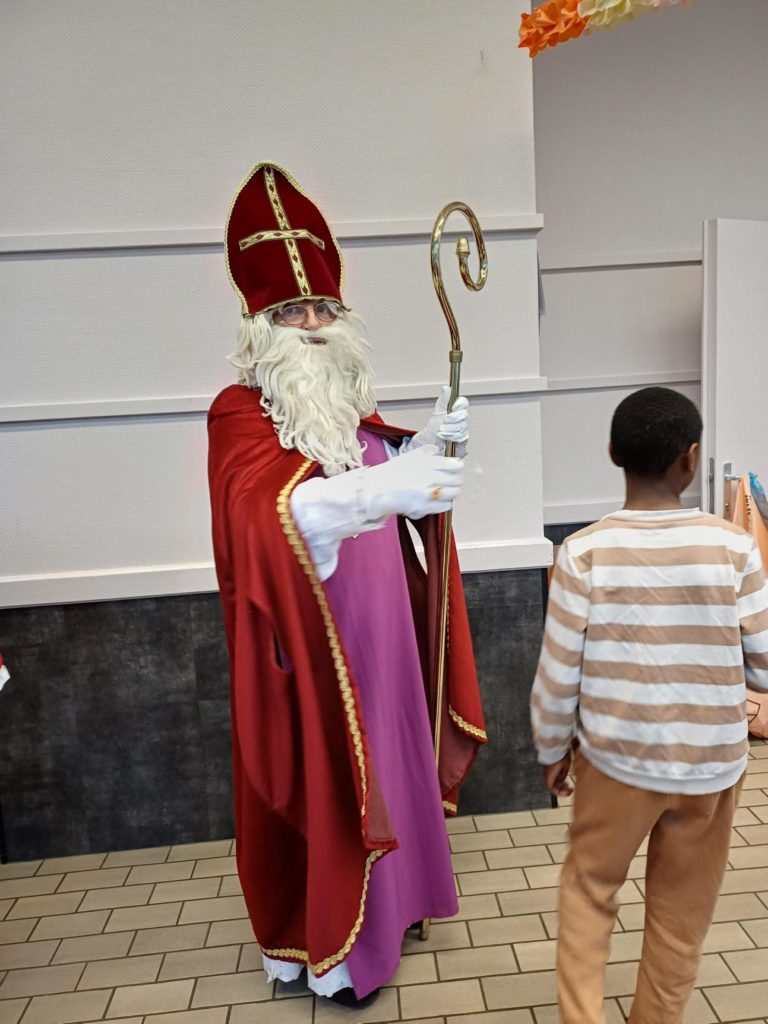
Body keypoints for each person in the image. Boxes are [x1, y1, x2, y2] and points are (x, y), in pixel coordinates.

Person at [207, 162, 486, 1007]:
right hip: (313, 652)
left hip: (385, 637)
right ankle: (334, 953)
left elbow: (387, 481)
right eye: (292, 312)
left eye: (323, 308)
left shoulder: (350, 409)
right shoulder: (240, 414)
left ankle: (397, 910)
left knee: (392, 759)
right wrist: (379, 490)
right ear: (260, 327)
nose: (313, 325)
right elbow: (265, 519)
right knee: (329, 774)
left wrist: (423, 449)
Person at [530, 386, 768, 1024]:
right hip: (711, 766)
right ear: (691, 458)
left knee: (589, 891)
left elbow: (557, 674)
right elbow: (763, 664)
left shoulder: (582, 552)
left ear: (613, 453)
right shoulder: (735, 547)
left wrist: (552, 751)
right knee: (680, 919)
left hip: (616, 763)